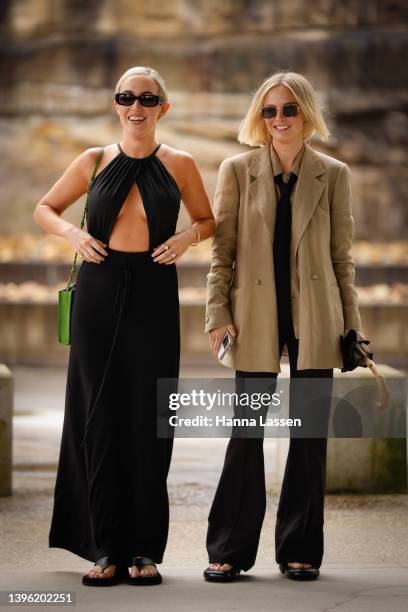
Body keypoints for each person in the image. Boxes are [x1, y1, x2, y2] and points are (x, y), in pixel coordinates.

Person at [33, 66, 215, 586]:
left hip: (155, 294)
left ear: (164, 107)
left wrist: (185, 240)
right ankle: (104, 547)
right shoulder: (92, 161)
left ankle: (144, 550)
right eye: (126, 96)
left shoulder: (180, 163)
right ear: (116, 104)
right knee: (97, 416)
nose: (136, 105)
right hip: (98, 290)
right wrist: (72, 233)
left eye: (147, 97)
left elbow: (208, 220)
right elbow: (45, 207)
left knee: (150, 416)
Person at [203, 71, 368, 582]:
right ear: (260, 115)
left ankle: (300, 549)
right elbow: (222, 252)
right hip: (253, 316)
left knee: (309, 436)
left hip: (317, 318)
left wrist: (353, 329)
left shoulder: (334, 173)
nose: (279, 119)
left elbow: (343, 260)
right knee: (246, 432)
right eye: (270, 110)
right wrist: (217, 313)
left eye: (289, 109)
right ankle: (230, 549)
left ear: (306, 114)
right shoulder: (236, 169)